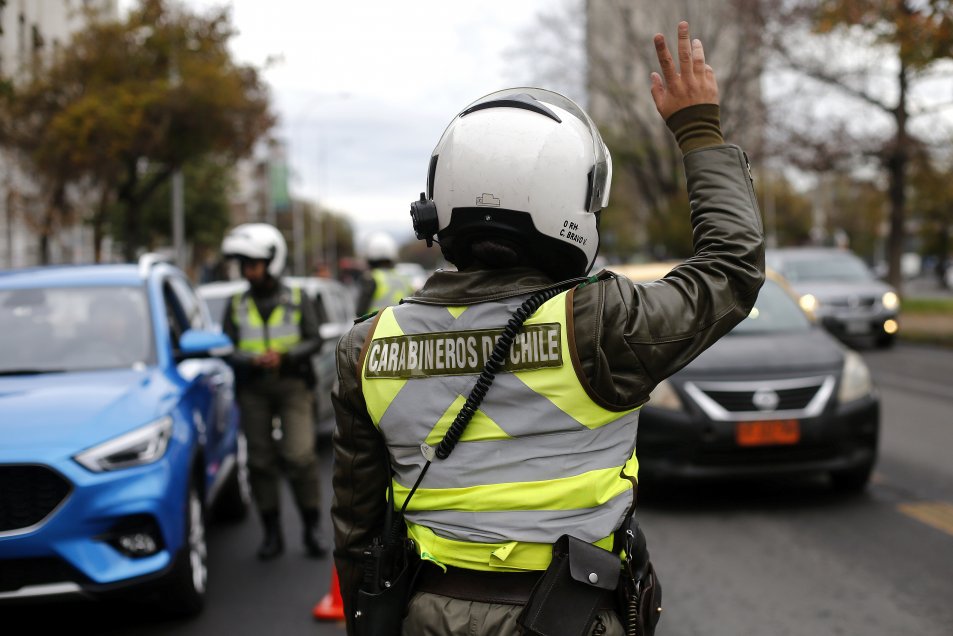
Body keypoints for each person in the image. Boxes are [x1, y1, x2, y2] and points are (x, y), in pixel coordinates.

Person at [331, 21, 765, 635]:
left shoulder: (365, 347)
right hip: (573, 614)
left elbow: (357, 529)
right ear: (573, 201)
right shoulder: (605, 323)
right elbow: (731, 269)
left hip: (427, 616)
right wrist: (698, 129)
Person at [220, 222, 328, 560]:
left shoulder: (298, 296)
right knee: (260, 462)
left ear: (272, 261)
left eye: (253, 263)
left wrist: (285, 355)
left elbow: (315, 338)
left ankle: (311, 528)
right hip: (253, 389)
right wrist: (247, 359)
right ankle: (271, 533)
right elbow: (226, 345)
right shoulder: (236, 302)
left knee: (299, 455)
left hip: (293, 385)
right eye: (243, 264)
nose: (247, 270)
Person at [355, 231, 418, 316]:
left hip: (375, 327)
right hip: (401, 328)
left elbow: (360, 312)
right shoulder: (404, 279)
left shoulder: (370, 279)